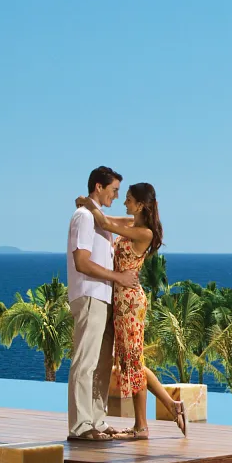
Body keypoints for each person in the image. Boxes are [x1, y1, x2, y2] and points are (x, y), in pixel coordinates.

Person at [77, 181, 189, 440]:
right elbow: (105, 219)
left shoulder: (145, 233)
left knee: (133, 362)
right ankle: (171, 407)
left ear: (140, 205)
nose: (124, 202)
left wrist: (86, 202)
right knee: (132, 361)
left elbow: (104, 224)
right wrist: (89, 206)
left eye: (128, 198)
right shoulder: (132, 224)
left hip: (130, 301)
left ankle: (142, 426)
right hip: (121, 299)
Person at [66, 166, 135, 441]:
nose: (116, 196)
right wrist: (119, 277)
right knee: (85, 362)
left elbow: (129, 221)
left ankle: (96, 420)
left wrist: (89, 203)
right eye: (114, 190)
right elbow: (81, 262)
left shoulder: (96, 217)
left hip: (104, 297)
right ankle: (80, 426)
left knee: (102, 364)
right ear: (99, 186)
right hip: (90, 295)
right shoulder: (84, 218)